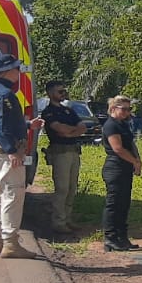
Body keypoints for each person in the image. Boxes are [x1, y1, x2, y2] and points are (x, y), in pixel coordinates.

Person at [0, 54, 45, 259]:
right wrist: (12, 151)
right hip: (6, 152)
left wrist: (28, 125)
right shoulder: (4, 94)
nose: (18, 72)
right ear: (7, 70)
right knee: (13, 194)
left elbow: (3, 123)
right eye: (16, 68)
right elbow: (1, 127)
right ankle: (10, 243)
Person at [40, 80, 89, 235]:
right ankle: (58, 221)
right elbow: (60, 129)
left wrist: (70, 131)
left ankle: (67, 218)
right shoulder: (48, 112)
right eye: (60, 92)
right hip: (60, 152)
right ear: (50, 93)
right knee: (62, 188)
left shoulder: (68, 111)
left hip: (74, 151)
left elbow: (83, 128)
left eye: (64, 91)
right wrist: (71, 130)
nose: (63, 94)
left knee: (72, 188)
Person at [100, 96, 142, 251]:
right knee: (114, 203)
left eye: (128, 109)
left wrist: (137, 160)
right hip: (115, 167)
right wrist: (134, 161)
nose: (127, 112)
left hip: (125, 167)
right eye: (123, 109)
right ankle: (110, 238)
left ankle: (122, 237)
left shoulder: (123, 124)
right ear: (113, 108)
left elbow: (130, 144)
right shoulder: (111, 125)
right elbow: (118, 148)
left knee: (124, 204)